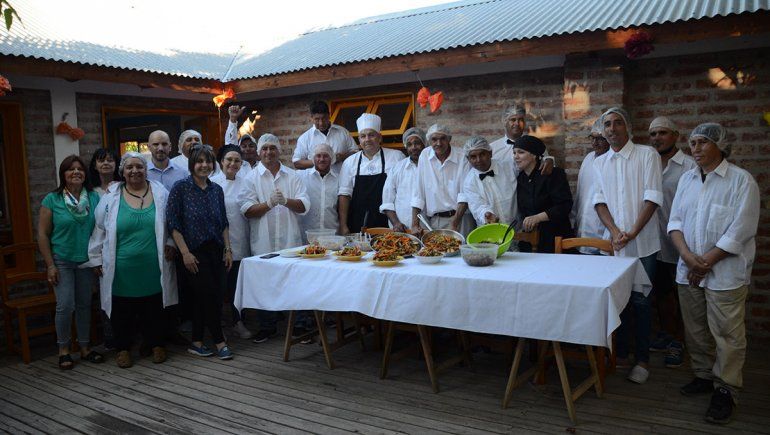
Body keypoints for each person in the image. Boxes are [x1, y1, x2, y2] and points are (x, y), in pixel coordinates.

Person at [669, 123, 759, 425]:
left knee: (727, 334)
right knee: (695, 330)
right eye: (692, 142)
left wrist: (704, 262)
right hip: (689, 268)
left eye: (703, 142)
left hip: (724, 272)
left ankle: (726, 390)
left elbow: (741, 229)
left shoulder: (741, 181)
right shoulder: (687, 180)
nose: (695, 148)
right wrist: (687, 257)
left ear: (720, 145)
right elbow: (676, 221)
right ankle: (704, 376)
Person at [592, 107, 663, 384]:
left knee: (641, 301)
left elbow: (653, 197)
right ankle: (620, 353)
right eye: (607, 124)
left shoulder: (647, 155)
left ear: (627, 127)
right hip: (615, 243)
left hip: (642, 242)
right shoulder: (600, 162)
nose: (611, 129)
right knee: (616, 301)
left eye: (617, 123)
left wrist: (631, 232)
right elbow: (599, 202)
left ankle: (642, 359)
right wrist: (614, 231)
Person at [88, 152, 178, 368]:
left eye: (139, 166)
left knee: (154, 307)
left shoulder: (160, 192)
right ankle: (123, 349)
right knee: (122, 310)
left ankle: (156, 343)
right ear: (122, 171)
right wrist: (96, 258)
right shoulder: (111, 198)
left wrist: (172, 243)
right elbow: (99, 229)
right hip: (120, 268)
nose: (135, 171)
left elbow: (171, 222)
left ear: (146, 170)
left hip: (152, 265)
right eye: (129, 167)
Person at [240, 133, 310, 343]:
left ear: (279, 150)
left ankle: (300, 326)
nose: (268, 152)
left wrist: (286, 201)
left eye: (272, 148)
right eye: (264, 149)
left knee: (295, 282)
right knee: (264, 284)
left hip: (291, 240)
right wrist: (269, 204)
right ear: (259, 153)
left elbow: (305, 205)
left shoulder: (292, 176)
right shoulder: (250, 178)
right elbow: (247, 210)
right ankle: (267, 326)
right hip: (264, 241)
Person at [166, 143, 234, 360]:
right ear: (192, 164)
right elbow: (173, 224)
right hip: (194, 252)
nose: (204, 165)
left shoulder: (217, 190)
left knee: (207, 297)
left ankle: (196, 342)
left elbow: (223, 222)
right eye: (199, 161)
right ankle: (219, 341)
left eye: (208, 161)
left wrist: (228, 249)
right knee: (208, 296)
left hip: (217, 251)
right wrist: (185, 253)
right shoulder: (180, 188)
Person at [37, 155, 104, 370]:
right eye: (70, 169)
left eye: (80, 169)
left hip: (86, 262)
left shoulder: (94, 198)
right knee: (65, 306)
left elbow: (101, 229)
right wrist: (50, 265)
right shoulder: (52, 200)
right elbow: (42, 234)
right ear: (63, 174)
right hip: (62, 261)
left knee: (85, 305)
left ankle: (84, 348)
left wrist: (98, 260)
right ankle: (64, 350)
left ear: (86, 174)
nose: (76, 172)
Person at [648, 116, 697, 369]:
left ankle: (679, 340)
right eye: (653, 134)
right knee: (662, 292)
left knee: (682, 294)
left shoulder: (689, 165)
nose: (657, 138)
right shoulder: (648, 163)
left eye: (663, 133)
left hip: (680, 242)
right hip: (653, 241)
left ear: (675, 135)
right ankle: (668, 334)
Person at [210, 145, 253, 340]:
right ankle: (217, 326)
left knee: (236, 286)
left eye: (237, 160)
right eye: (229, 159)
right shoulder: (211, 183)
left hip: (241, 240)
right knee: (218, 287)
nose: (233, 164)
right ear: (221, 162)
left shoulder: (246, 182)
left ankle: (237, 322)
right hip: (218, 243)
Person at [338, 113, 404, 234]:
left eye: (371, 135)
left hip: (389, 222)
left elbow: (404, 191)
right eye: (363, 136)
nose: (367, 139)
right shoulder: (349, 162)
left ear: (380, 137)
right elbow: (344, 195)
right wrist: (343, 225)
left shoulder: (396, 157)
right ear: (359, 140)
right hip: (357, 223)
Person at [514, 135, 573, 253]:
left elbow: (565, 205)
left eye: (521, 152)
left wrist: (538, 217)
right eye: (514, 153)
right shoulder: (521, 178)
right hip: (530, 242)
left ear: (534, 155)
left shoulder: (553, 174)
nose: (516, 157)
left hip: (556, 239)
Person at [410, 124, 473, 235]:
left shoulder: (462, 156)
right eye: (434, 139)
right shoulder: (425, 155)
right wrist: (415, 224)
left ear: (449, 139)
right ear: (429, 141)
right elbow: (418, 192)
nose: (438, 143)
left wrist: (454, 223)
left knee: (463, 251)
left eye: (443, 138)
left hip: (461, 218)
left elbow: (465, 194)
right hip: (436, 221)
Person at [571, 118, 610, 254]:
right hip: (582, 229)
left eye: (600, 138)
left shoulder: (613, 162)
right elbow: (580, 194)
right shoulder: (588, 158)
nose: (594, 143)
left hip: (603, 233)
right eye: (592, 138)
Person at [462, 136, 518, 227]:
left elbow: (529, 164)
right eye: (473, 157)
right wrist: (487, 214)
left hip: (516, 227)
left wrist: (548, 159)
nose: (478, 160)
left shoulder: (509, 166)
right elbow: (477, 206)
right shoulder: (469, 182)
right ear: (468, 159)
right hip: (490, 232)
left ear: (490, 153)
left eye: (482, 154)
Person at [292, 100, 358, 174]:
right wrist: (318, 162)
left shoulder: (342, 132)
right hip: (316, 183)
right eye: (317, 119)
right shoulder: (305, 138)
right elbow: (296, 163)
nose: (321, 123)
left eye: (324, 118)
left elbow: (356, 152)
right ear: (311, 118)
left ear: (329, 115)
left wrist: (342, 157)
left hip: (341, 180)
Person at [380, 127, 426, 232]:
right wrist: (396, 223)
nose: (414, 147)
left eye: (417, 143)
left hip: (427, 227)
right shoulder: (397, 168)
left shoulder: (432, 167)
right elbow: (387, 201)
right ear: (406, 147)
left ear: (424, 144)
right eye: (409, 144)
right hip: (402, 229)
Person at [489, 103, 554, 173]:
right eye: (513, 120)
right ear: (505, 122)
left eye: (521, 120)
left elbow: (548, 163)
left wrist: (549, 159)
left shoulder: (534, 143)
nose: (517, 123)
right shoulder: (493, 148)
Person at [298, 143, 340, 241]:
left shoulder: (339, 179)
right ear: (313, 158)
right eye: (318, 156)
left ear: (332, 158)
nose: (321, 159)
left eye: (326, 156)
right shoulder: (301, 177)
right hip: (306, 236)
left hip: (332, 235)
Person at [225, 105, 259, 176]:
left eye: (251, 146)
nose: (248, 149)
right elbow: (230, 144)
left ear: (256, 148)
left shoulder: (262, 167)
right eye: (244, 146)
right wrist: (233, 120)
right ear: (239, 149)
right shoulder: (236, 167)